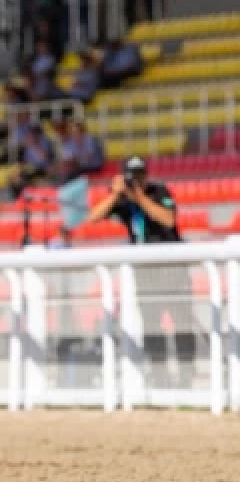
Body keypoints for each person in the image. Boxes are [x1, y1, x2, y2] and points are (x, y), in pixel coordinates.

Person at [82, 155, 195, 385]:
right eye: (132, 176)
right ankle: (160, 377)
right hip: (145, 274)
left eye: (140, 175)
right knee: (152, 326)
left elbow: (168, 220)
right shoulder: (124, 201)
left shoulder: (158, 192)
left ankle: (186, 377)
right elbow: (92, 217)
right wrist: (115, 194)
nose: (137, 180)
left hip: (173, 271)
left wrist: (140, 197)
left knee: (181, 324)